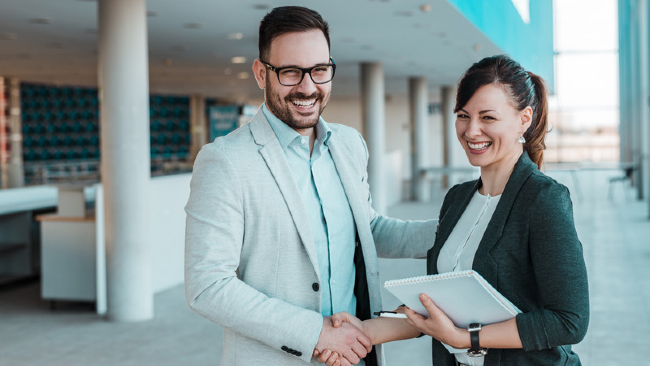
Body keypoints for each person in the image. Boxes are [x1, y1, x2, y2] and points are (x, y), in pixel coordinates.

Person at [184, 6, 436, 366]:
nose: (307, 87)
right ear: (261, 73)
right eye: (290, 72)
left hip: (356, 354)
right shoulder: (225, 161)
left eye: (319, 70)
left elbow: (370, 229)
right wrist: (316, 333)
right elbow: (207, 285)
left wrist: (456, 231)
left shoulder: (349, 144)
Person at [320, 54, 589, 366]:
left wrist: (466, 339)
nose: (472, 131)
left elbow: (569, 320)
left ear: (524, 119)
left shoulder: (544, 200)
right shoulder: (458, 198)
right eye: (463, 115)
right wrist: (360, 332)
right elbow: (439, 310)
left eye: (488, 118)